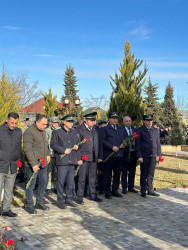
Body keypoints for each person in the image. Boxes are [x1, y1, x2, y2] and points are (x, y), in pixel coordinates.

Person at [51, 114, 82, 209]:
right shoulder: (57, 132)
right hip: (62, 160)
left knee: (70, 181)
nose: (71, 123)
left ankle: (68, 199)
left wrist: (77, 147)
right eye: (69, 122)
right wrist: (63, 150)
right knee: (61, 181)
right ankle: (60, 200)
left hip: (72, 160)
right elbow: (53, 145)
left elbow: (78, 144)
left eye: (72, 122)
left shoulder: (74, 132)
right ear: (64, 122)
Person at [23, 114, 50, 214]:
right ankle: (30, 205)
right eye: (44, 124)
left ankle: (39, 201)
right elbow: (27, 149)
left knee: (43, 182)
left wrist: (48, 153)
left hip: (43, 162)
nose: (45, 126)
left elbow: (45, 144)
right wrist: (34, 164)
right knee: (31, 184)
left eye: (46, 125)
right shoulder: (29, 132)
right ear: (37, 122)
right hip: (32, 164)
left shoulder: (42, 131)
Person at [76, 112, 102, 204]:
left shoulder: (95, 129)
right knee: (82, 178)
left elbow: (99, 143)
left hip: (93, 157)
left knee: (93, 178)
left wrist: (99, 156)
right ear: (86, 120)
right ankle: (80, 197)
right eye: (91, 120)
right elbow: (77, 145)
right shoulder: (79, 129)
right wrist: (79, 158)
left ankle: (93, 195)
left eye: (94, 120)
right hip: (83, 157)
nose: (93, 122)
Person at [0, 112, 22, 217]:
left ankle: (6, 210)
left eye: (16, 123)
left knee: (9, 189)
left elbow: (18, 148)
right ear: (7, 120)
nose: (14, 125)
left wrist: (18, 162)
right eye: (12, 123)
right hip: (1, 165)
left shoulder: (19, 132)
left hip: (12, 165)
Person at [100, 112, 126, 199]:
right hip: (109, 155)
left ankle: (115, 191)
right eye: (113, 118)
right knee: (107, 175)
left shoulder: (120, 128)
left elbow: (124, 138)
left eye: (116, 118)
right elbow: (103, 141)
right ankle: (107, 192)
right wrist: (111, 147)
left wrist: (124, 144)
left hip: (119, 155)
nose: (115, 120)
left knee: (117, 174)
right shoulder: (105, 129)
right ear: (109, 119)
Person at [135, 114, 162, 198]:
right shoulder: (140, 130)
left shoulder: (155, 130)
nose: (150, 122)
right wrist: (139, 156)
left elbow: (158, 143)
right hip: (144, 155)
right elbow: (137, 145)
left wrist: (159, 154)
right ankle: (143, 190)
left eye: (151, 120)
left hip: (153, 155)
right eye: (147, 120)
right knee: (144, 173)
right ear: (144, 121)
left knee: (151, 173)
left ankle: (150, 190)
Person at [122, 116, 138, 194]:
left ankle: (131, 187)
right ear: (123, 122)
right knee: (124, 171)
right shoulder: (121, 130)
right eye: (126, 121)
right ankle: (124, 188)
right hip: (125, 153)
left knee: (132, 171)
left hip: (133, 153)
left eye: (129, 121)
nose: (128, 122)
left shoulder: (135, 130)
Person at [45, 116, 60, 194]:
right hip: (50, 154)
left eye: (57, 123)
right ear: (51, 123)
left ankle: (55, 186)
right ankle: (48, 187)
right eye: (54, 123)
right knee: (49, 171)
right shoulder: (47, 131)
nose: (56, 124)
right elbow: (45, 143)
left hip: (58, 154)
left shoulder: (60, 130)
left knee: (56, 171)